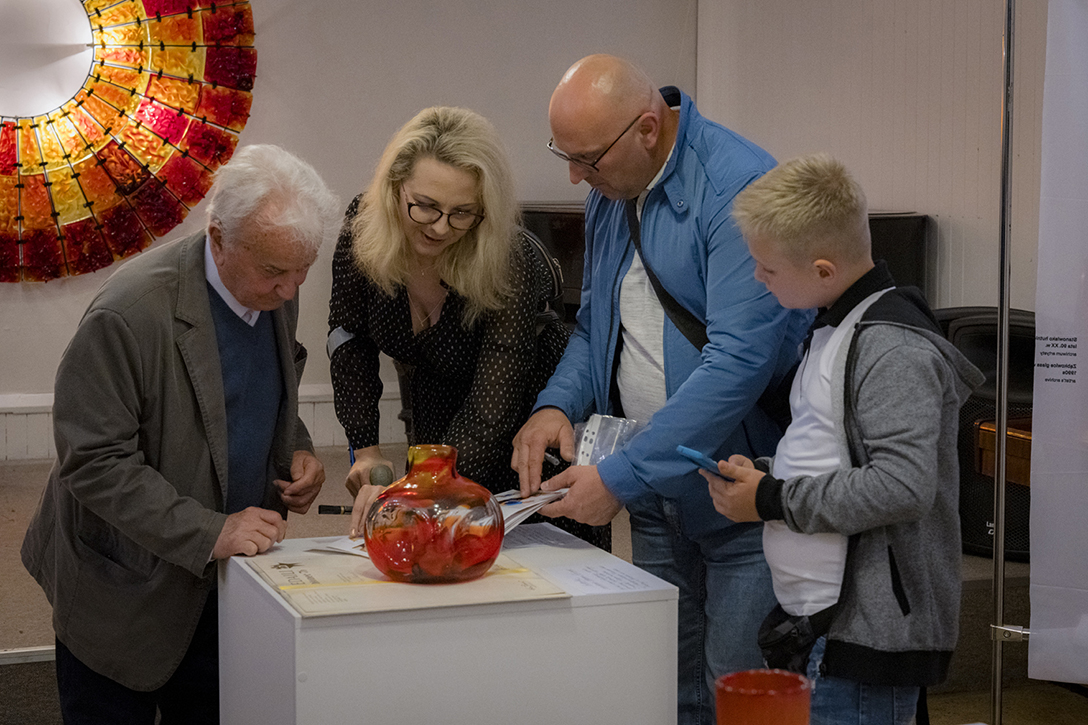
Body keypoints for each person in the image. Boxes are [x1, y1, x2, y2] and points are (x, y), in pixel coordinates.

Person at [511, 54, 812, 725]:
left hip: (735, 496)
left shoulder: (738, 186)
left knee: (736, 694)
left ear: (647, 129)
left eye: (586, 159)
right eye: (566, 156)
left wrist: (620, 477)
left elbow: (738, 364)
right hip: (652, 493)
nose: (574, 177)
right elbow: (596, 323)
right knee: (665, 692)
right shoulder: (613, 187)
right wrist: (556, 403)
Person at [21, 144, 339, 723]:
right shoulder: (129, 314)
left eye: (304, 269)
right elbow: (93, 462)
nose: (291, 290)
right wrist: (211, 531)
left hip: (223, 581)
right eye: (275, 271)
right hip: (123, 587)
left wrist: (296, 448)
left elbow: (261, 391)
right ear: (218, 238)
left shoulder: (271, 288)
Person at [703, 153, 984, 725]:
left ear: (824, 270)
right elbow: (836, 449)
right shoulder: (835, 325)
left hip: (865, 637)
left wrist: (772, 498)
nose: (757, 278)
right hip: (826, 625)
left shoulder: (891, 347)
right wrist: (766, 474)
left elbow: (902, 485)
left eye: (767, 267)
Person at [327, 106, 606, 547]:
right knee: (437, 553)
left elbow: (493, 406)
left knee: (521, 562)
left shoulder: (507, 257)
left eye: (462, 213)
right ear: (395, 187)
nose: (441, 227)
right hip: (438, 418)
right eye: (425, 207)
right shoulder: (363, 225)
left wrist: (417, 492)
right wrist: (367, 451)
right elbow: (348, 337)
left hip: (523, 427)